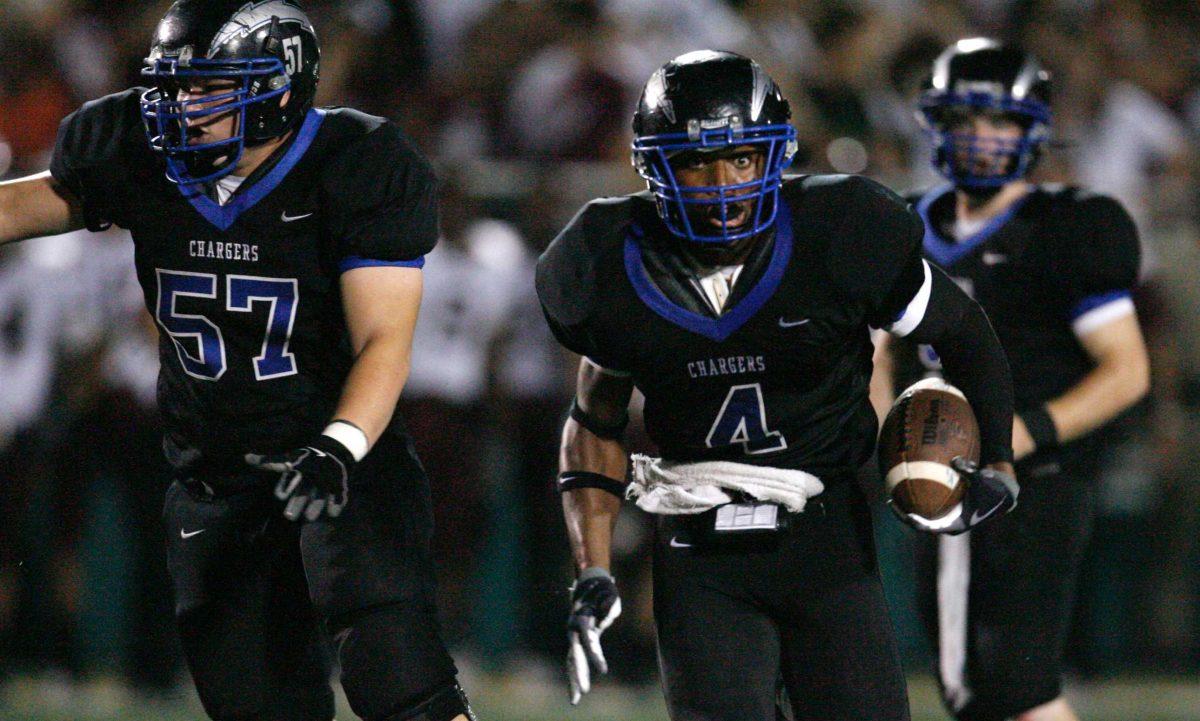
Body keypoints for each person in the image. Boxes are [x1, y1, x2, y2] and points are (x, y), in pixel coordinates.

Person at [0, 1, 475, 720]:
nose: (186, 105)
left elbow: (385, 340)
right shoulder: (139, 152)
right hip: (216, 478)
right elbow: (15, 210)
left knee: (403, 688)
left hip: (344, 464)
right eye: (176, 86)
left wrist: (336, 446)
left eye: (212, 86)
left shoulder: (354, 165)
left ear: (280, 87)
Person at [535, 49, 1020, 721]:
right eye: (696, 161)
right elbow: (594, 420)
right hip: (697, 545)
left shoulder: (840, 232)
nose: (722, 183)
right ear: (654, 167)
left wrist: (997, 456)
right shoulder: (608, 260)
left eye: (741, 158)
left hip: (824, 535)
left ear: (776, 154)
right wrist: (593, 566)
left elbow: (963, 332)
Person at [876, 38, 1150, 721]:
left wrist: (1012, 435)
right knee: (973, 687)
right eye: (964, 120)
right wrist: (890, 441)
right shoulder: (901, 223)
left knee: (1007, 686)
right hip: (940, 475)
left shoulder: (1071, 226)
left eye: (998, 121)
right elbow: (874, 353)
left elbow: (1127, 369)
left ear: (1033, 129)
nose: (980, 139)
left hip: (1036, 476)